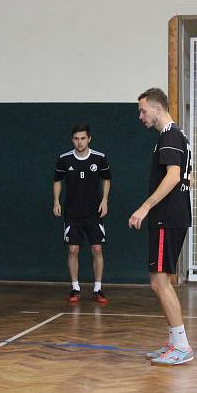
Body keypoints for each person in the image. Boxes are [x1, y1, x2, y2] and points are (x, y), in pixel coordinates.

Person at [128, 88, 194, 366]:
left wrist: (145, 207)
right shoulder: (176, 136)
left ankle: (181, 346)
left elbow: (174, 177)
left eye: (143, 110)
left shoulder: (169, 136)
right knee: (160, 281)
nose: (140, 116)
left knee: (159, 282)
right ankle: (174, 342)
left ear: (157, 108)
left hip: (167, 217)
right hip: (173, 215)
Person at [53, 123, 112, 303]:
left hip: (94, 212)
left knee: (96, 249)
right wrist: (56, 201)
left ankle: (98, 289)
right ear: (72, 139)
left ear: (89, 139)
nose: (80, 142)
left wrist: (104, 200)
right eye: (76, 139)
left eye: (83, 138)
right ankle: (75, 288)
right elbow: (57, 181)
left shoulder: (99, 158)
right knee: (73, 249)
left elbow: (107, 179)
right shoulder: (64, 159)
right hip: (72, 212)